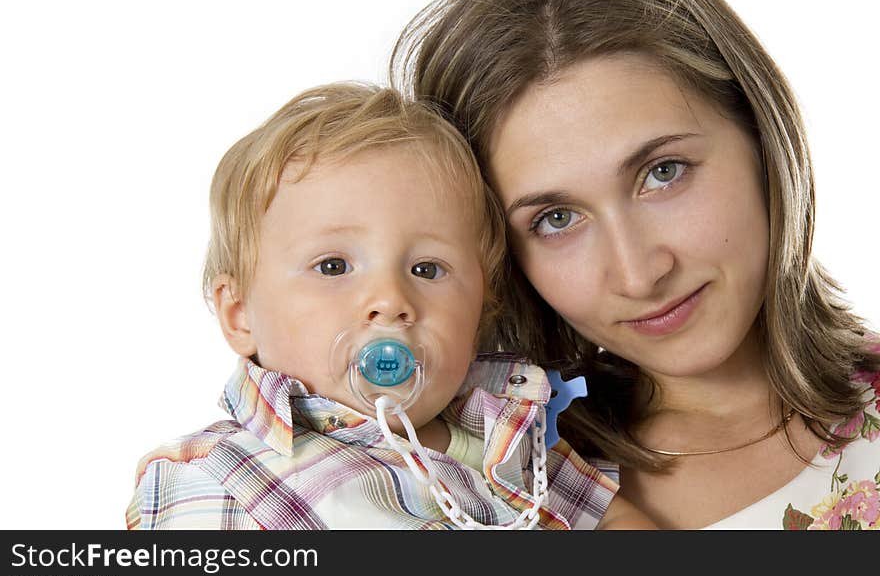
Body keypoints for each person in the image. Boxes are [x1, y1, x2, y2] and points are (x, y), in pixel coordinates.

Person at [392, 0, 880, 529]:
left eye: (662, 173)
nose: (638, 273)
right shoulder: (467, 495)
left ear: (759, 136)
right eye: (556, 218)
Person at [125, 82, 653, 530]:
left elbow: (614, 523)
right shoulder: (211, 476)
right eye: (333, 267)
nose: (391, 301)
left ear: (483, 308)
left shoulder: (513, 427)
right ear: (239, 315)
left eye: (427, 269)